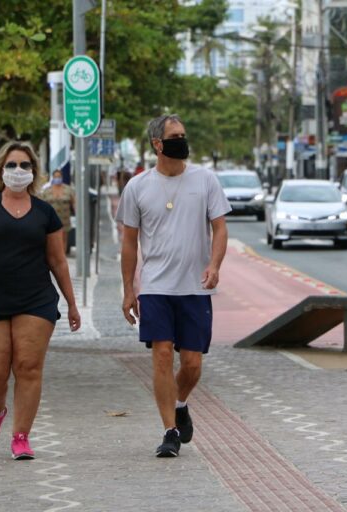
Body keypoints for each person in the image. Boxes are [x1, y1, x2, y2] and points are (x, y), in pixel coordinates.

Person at [116, 114, 230, 458]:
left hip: (194, 287)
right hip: (155, 288)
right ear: (157, 144)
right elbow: (128, 243)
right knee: (162, 356)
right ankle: (169, 431)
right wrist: (128, 290)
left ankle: (180, 404)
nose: (182, 140)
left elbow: (220, 229)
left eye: (184, 134)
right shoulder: (137, 187)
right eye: (174, 136)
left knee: (192, 364)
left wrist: (214, 265)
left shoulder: (205, 180)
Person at [0, 141, 81, 461]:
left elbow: (58, 262)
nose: (18, 171)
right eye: (12, 165)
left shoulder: (45, 212)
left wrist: (71, 303)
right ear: (1, 170)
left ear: (33, 172)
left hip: (36, 300)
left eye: (25, 166)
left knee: (28, 366)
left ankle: (21, 436)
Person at [40, 169, 75, 254]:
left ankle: (62, 256)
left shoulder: (68, 189)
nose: (57, 178)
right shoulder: (47, 191)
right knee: (51, 239)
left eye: (59, 176)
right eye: (55, 177)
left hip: (64, 220)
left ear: (62, 177)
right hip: (50, 220)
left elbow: (74, 203)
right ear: (53, 178)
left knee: (63, 239)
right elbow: (41, 205)